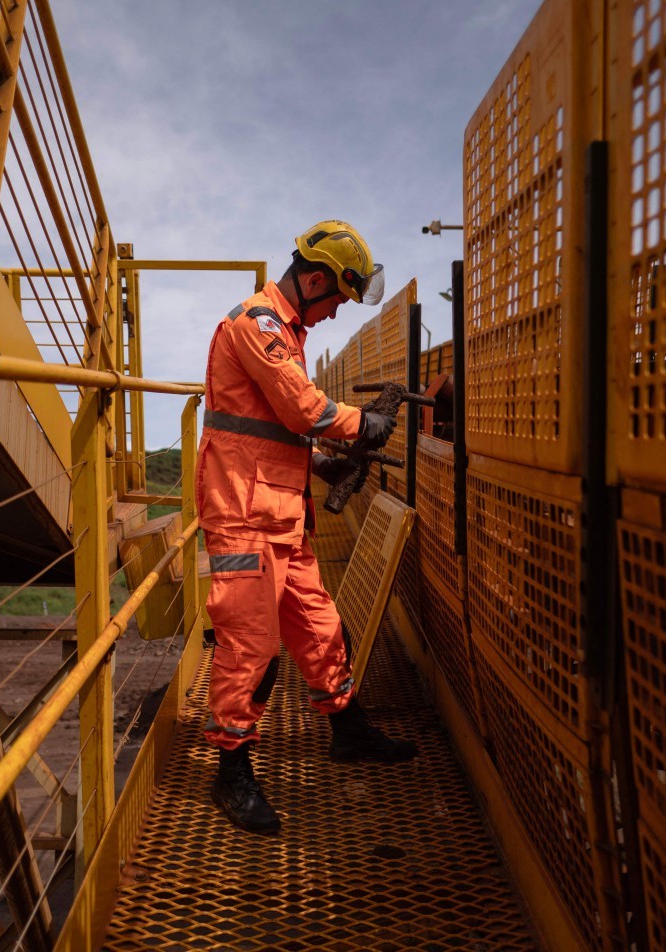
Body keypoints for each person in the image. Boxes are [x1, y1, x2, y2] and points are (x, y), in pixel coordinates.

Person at [195, 220, 416, 835]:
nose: (334, 315)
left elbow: (273, 428)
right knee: (251, 647)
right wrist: (364, 426)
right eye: (335, 301)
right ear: (314, 279)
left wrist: (317, 462)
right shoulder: (256, 324)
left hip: (281, 517)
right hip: (243, 518)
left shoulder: (286, 335)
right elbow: (302, 409)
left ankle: (348, 731)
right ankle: (231, 769)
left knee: (321, 629)